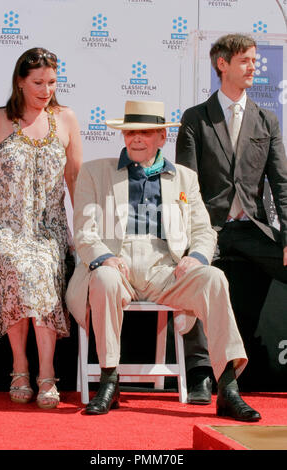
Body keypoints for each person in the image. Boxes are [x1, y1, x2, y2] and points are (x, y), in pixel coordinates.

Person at [66, 99, 261, 422]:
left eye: (145, 132)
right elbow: (84, 231)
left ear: (161, 137)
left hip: (166, 270)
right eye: (131, 132)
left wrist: (196, 257)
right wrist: (104, 258)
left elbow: (203, 230)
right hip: (118, 264)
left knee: (214, 278)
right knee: (102, 277)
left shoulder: (184, 178)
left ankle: (227, 389)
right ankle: (109, 381)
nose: (136, 139)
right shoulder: (95, 172)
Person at [176, 33, 287, 404]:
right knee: (192, 275)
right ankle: (200, 374)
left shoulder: (267, 120)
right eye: (245, 60)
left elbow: (281, 183)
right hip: (209, 227)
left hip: (252, 227)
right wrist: (191, 241)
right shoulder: (195, 119)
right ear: (222, 64)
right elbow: (185, 186)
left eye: (255, 60)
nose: (254, 66)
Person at [0, 47, 83, 408]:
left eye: (52, 82)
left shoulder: (66, 119)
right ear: (20, 82)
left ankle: (45, 371)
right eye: (38, 83)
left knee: (40, 264)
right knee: (16, 262)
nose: (46, 90)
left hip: (48, 231)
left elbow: (75, 181)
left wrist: (85, 236)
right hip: (1, 229)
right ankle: (20, 365)